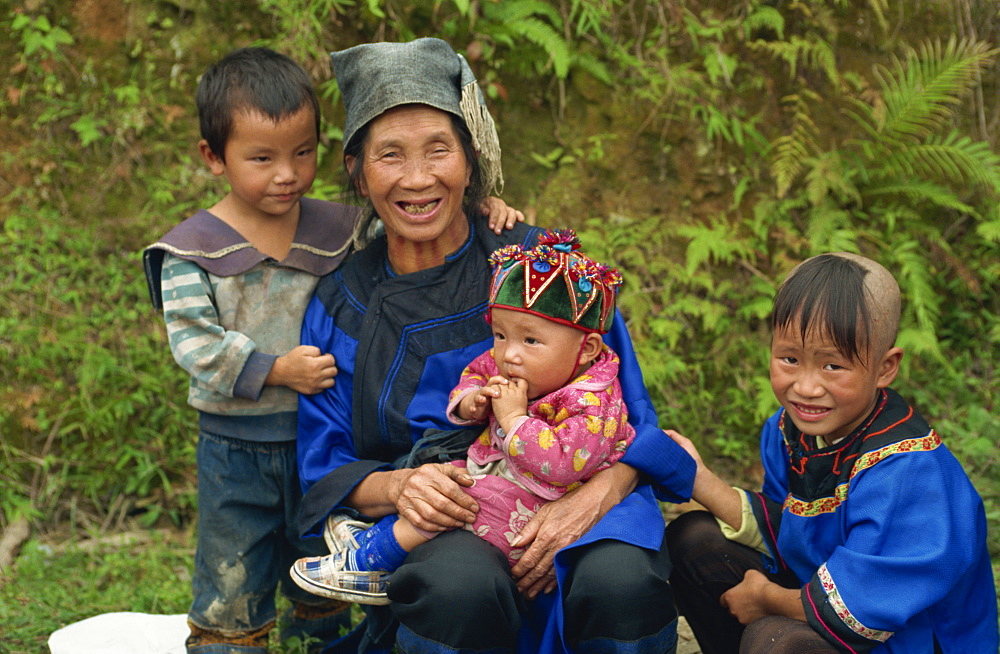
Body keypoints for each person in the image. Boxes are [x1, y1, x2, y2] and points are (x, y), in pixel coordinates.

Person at [295, 37, 695, 653]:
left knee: (621, 582)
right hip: (453, 514)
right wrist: (401, 488)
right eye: (390, 155)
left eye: (438, 150)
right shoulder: (340, 305)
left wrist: (587, 502)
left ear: (470, 158)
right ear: (357, 169)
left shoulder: (545, 270)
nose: (418, 178)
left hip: (582, 486)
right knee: (456, 588)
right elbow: (326, 464)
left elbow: (634, 418)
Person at [142, 46, 522, 654]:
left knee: (324, 572)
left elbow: (416, 208)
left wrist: (482, 208)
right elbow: (194, 345)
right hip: (239, 444)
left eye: (301, 153)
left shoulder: (335, 226)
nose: (286, 174)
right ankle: (226, 640)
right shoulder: (191, 251)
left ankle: (314, 641)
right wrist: (274, 369)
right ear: (213, 157)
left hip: (313, 431)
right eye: (261, 158)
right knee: (233, 565)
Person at [663, 252, 998, 654]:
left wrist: (765, 598)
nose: (805, 387)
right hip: (826, 601)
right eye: (790, 359)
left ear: (885, 367)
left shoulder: (907, 469)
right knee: (693, 539)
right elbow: (789, 534)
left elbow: (860, 610)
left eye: (833, 366)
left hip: (901, 640)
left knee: (774, 640)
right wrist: (697, 477)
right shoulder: (788, 430)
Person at [290, 230, 635, 603]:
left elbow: (563, 465)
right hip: (500, 470)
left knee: (462, 502)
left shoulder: (595, 404)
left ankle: (374, 563)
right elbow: (476, 372)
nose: (509, 355)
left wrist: (515, 420)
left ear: (588, 349)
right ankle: (373, 539)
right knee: (445, 478)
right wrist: (471, 401)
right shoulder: (512, 362)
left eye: (530, 341)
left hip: (542, 504)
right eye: (500, 335)